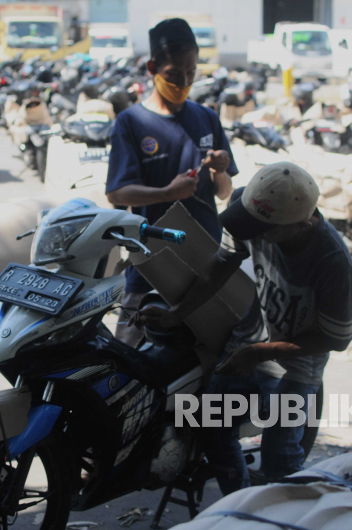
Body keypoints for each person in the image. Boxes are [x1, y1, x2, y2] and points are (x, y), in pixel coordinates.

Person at [132, 162, 352, 494]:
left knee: (280, 459)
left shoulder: (331, 262)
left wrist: (260, 353)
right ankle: (237, 508)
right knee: (212, 428)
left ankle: (280, 529)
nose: (252, 232)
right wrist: (176, 314)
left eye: (263, 228)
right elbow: (223, 263)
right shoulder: (249, 209)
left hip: (296, 364)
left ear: (300, 225)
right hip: (248, 340)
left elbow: (334, 339)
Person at [106, 18, 238, 347]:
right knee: (131, 354)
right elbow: (116, 192)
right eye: (174, 74)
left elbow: (225, 193)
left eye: (191, 72)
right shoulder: (131, 122)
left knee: (206, 354)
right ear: (152, 67)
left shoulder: (207, 118)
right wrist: (167, 193)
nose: (184, 81)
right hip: (151, 263)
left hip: (205, 265)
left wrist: (219, 171)